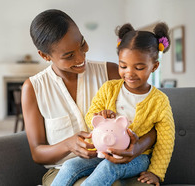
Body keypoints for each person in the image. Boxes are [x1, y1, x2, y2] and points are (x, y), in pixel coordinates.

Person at [22, 9, 157, 186]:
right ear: (45, 56)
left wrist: (137, 147)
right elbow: (37, 153)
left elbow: (155, 121)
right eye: (69, 55)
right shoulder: (34, 88)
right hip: (62, 172)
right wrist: (68, 145)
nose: (81, 57)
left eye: (82, 43)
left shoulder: (110, 73)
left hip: (116, 163)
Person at [51, 22, 175, 186]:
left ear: (154, 66)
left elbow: (166, 140)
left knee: (108, 168)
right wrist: (99, 116)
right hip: (103, 150)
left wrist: (156, 173)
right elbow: (91, 115)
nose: (129, 73)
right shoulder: (109, 88)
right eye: (123, 66)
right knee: (70, 165)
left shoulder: (159, 101)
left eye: (138, 67)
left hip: (139, 157)